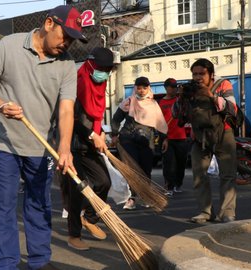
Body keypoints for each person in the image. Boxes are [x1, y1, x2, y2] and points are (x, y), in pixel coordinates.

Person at [0, 5, 85, 269]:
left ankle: (39, 261)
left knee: (39, 205)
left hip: (42, 147)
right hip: (4, 144)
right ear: (49, 23)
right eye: (65, 35)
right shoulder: (9, 46)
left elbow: (67, 110)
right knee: (4, 208)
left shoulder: (67, 63)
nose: (66, 43)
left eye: (72, 39)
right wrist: (1, 105)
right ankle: (5, 263)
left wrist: (65, 148)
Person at [62, 47, 114, 251]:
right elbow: (70, 119)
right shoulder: (77, 83)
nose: (105, 73)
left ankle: (90, 218)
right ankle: (74, 235)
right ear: (91, 65)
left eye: (108, 70)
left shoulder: (100, 84)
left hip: (90, 145)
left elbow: (97, 116)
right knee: (78, 189)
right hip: (72, 144)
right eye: (102, 69)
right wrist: (92, 135)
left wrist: (100, 133)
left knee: (104, 182)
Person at [174, 58, 238, 224]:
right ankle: (205, 212)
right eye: (195, 74)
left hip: (224, 134)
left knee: (227, 175)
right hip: (199, 137)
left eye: (202, 73)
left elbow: (232, 108)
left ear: (211, 74)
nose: (198, 77)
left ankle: (227, 213)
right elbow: (176, 115)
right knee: (199, 175)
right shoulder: (190, 89)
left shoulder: (223, 85)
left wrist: (211, 96)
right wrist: (181, 98)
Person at [111, 76, 168, 210]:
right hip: (128, 139)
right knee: (132, 169)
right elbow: (116, 119)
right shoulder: (129, 102)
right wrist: (114, 134)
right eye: (139, 87)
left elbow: (160, 123)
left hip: (146, 141)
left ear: (148, 88)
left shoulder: (154, 104)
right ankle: (132, 198)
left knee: (146, 169)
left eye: (144, 87)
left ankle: (147, 196)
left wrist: (164, 139)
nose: (141, 90)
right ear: (135, 88)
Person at [159, 78, 190, 196]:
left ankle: (178, 184)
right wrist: (164, 137)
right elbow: (159, 121)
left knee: (181, 163)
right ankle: (169, 186)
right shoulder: (161, 103)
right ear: (166, 87)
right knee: (169, 164)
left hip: (181, 137)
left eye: (175, 86)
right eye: (171, 86)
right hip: (167, 138)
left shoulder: (180, 100)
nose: (174, 89)